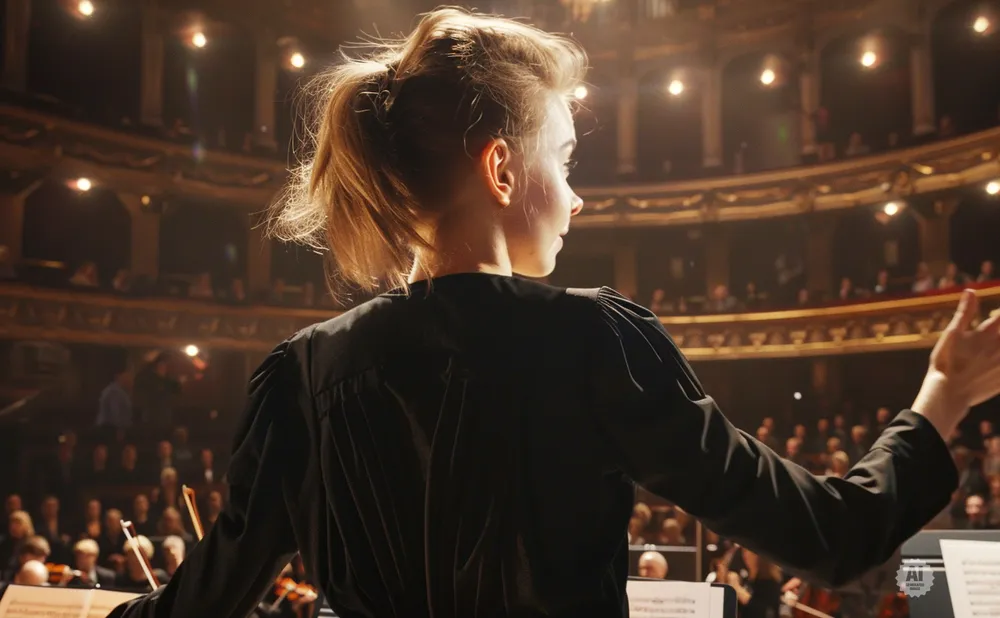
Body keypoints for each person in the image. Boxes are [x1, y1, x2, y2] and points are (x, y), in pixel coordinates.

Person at [108, 7, 1000, 618]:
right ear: (500, 170)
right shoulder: (593, 341)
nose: (578, 201)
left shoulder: (301, 373)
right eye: (565, 161)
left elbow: (203, 600)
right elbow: (833, 536)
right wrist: (943, 397)